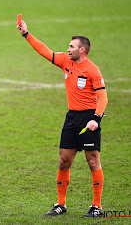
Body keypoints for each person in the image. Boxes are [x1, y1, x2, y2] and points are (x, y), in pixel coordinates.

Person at [17, 18, 108, 218]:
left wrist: (96, 118)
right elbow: (45, 51)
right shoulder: (65, 61)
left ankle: (97, 206)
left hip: (88, 118)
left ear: (82, 50)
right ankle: (61, 204)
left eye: (71, 46)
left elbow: (103, 96)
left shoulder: (93, 70)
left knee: (93, 161)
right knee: (63, 161)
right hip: (71, 118)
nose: (68, 49)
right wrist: (26, 34)